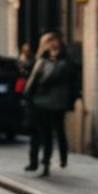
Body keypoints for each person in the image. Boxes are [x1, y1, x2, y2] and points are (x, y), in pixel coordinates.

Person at [23, 33, 79, 176]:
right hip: (40, 102)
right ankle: (38, 162)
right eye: (49, 42)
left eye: (54, 42)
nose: (53, 45)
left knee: (56, 131)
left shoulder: (65, 60)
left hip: (57, 102)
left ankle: (58, 159)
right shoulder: (41, 59)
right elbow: (31, 76)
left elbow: (60, 75)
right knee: (40, 132)